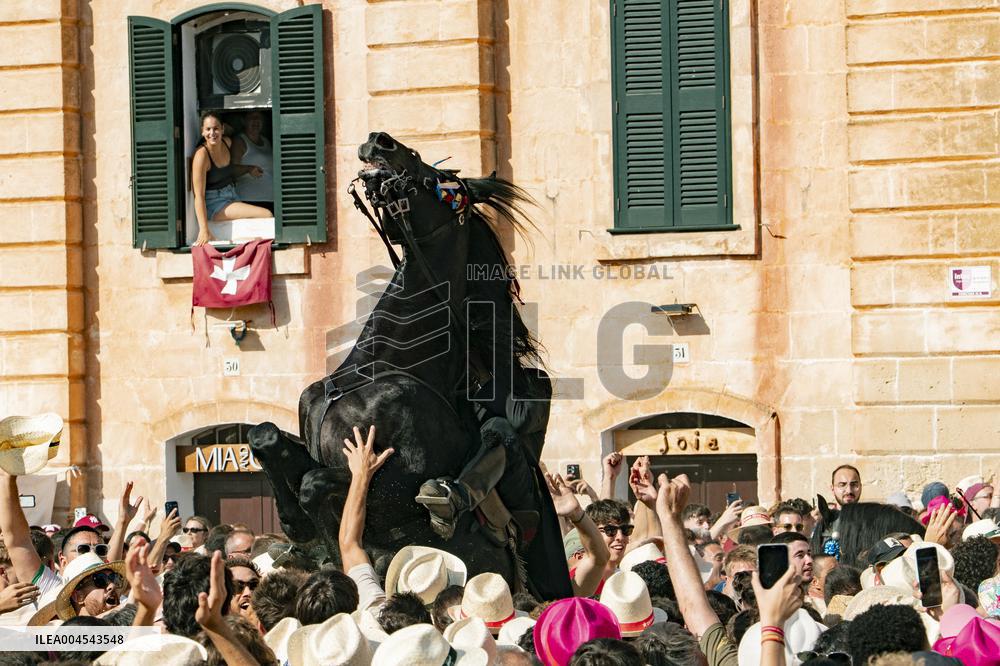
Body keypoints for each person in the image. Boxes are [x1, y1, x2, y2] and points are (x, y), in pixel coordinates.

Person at [190, 111, 270, 246]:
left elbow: (233, 131)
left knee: (252, 231)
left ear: (222, 129)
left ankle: (253, 251)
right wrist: (204, 229)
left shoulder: (227, 142)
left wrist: (248, 169)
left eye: (216, 128)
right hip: (215, 203)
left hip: (232, 194)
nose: (212, 133)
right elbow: (199, 196)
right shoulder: (201, 156)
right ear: (202, 131)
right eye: (208, 129)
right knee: (266, 214)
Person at [231, 110, 274, 212]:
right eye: (251, 117)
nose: (256, 120)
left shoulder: (266, 141)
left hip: (271, 199)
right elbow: (231, 170)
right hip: (250, 200)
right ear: (244, 121)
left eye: (259, 117)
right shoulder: (239, 141)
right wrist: (248, 169)